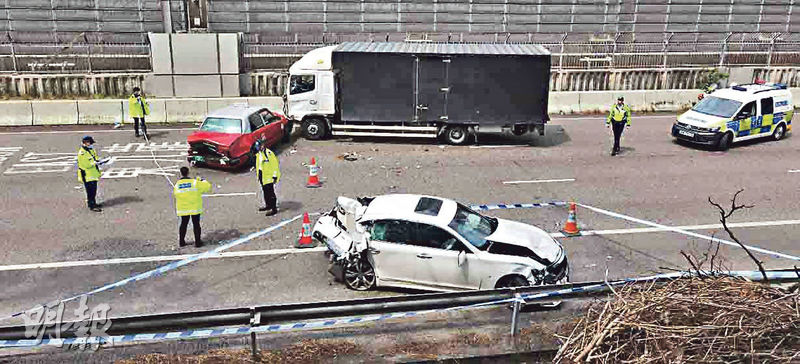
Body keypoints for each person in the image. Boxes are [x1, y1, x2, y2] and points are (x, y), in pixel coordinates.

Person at [173, 166, 212, 247]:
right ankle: (198, 242)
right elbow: (207, 187)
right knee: (196, 224)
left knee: (183, 224)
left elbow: (176, 194)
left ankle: (181, 241)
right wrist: (202, 180)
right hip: (194, 207)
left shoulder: (177, 185)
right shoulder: (194, 182)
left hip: (183, 208)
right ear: (188, 172)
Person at [77, 136, 106, 212]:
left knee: (94, 190)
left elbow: (94, 157)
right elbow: (85, 165)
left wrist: (98, 160)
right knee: (90, 191)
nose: (91, 144)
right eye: (90, 143)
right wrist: (95, 163)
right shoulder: (82, 153)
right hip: (86, 175)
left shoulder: (91, 150)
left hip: (93, 174)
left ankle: (94, 203)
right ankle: (92, 205)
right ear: (85, 143)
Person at [254, 139, 281, 216]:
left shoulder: (268, 153)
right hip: (262, 176)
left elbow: (275, 165)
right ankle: (268, 205)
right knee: (265, 192)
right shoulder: (259, 154)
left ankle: (273, 208)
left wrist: (275, 176)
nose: (258, 148)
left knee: (270, 193)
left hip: (269, 176)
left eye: (259, 146)